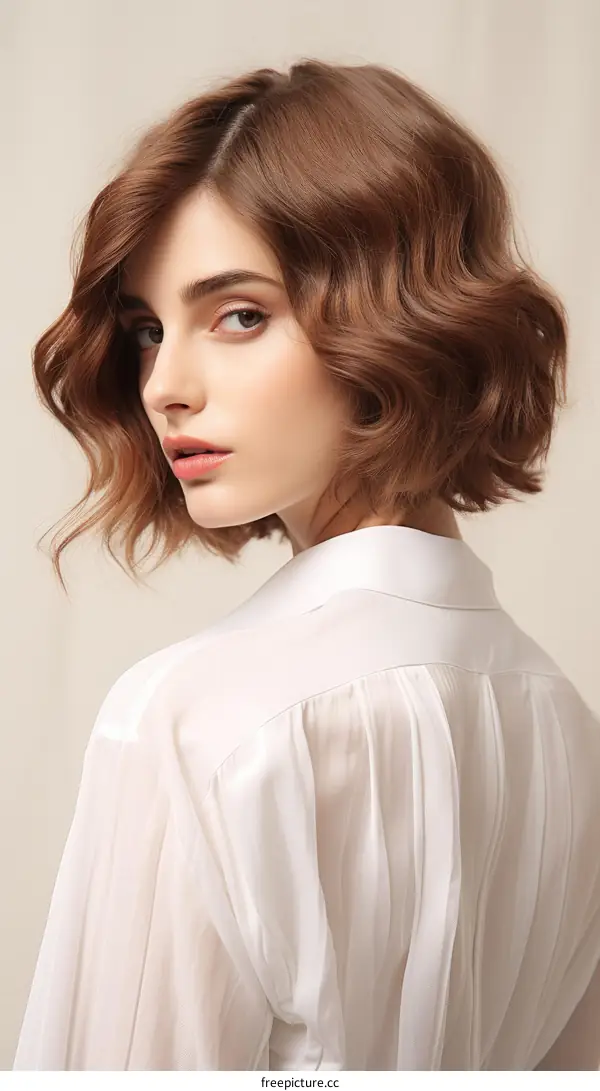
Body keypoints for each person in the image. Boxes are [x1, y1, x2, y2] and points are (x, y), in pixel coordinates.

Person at [13, 58, 600, 1071]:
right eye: (149, 329)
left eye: (238, 314)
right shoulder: (564, 728)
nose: (162, 385)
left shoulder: (192, 718)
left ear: (399, 317)